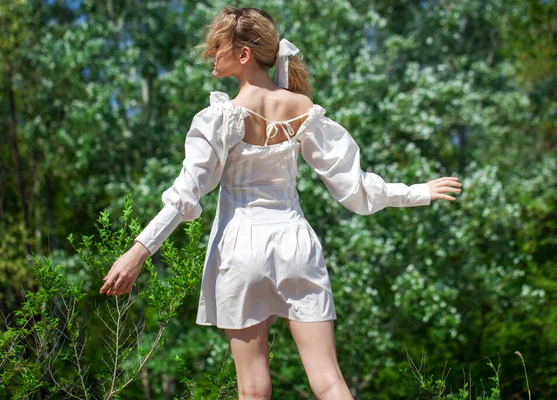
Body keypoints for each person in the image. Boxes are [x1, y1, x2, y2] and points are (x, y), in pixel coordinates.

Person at [99, 6, 462, 400]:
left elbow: (187, 192)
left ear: (244, 54)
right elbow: (354, 191)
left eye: (217, 46)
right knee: (329, 382)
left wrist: (138, 251)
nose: (209, 54)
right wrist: (417, 192)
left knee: (253, 390)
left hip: (239, 251)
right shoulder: (303, 109)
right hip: (296, 245)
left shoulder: (219, 117)